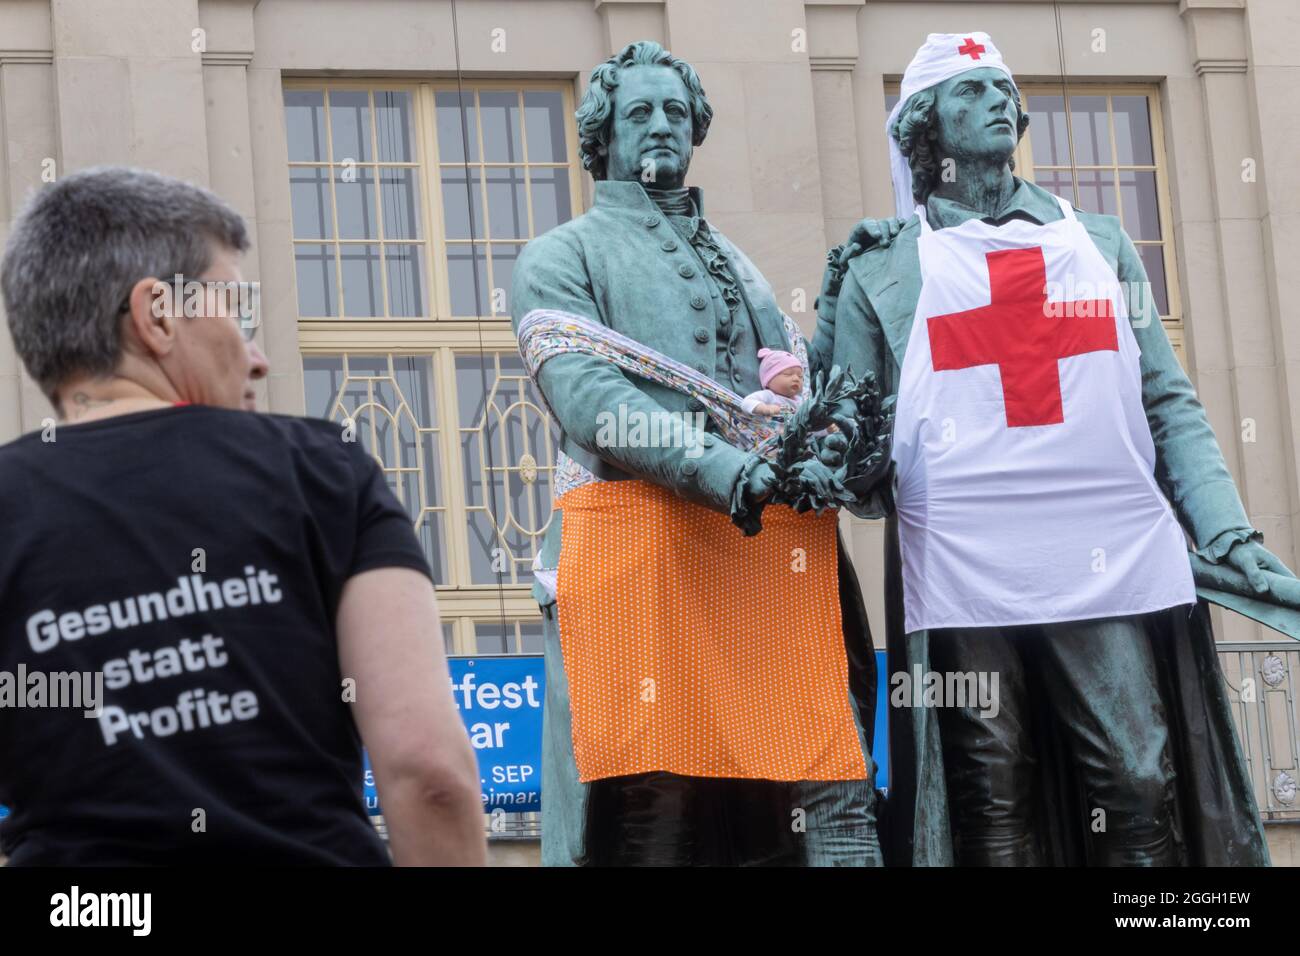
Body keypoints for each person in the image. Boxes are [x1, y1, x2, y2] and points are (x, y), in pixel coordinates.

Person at [817, 32, 1296, 866]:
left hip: (1101, 551)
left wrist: (1227, 533)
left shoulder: (1102, 243)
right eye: (971, 91)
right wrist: (835, 439)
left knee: (1138, 774)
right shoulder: (882, 267)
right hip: (961, 565)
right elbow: (858, 466)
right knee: (989, 787)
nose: (999, 99)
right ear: (927, 127)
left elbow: (1167, 402)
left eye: (1003, 86)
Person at [0, 166, 486, 866]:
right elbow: (427, 771)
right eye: (237, 310)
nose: (256, 358)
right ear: (157, 316)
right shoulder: (324, 472)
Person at [512, 41, 882, 866]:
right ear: (602, 134)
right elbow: (596, 404)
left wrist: (821, 442)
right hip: (639, 544)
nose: (661, 126)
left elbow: (792, 395)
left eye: (676, 112)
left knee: (828, 781)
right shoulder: (559, 255)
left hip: (764, 554)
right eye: (639, 111)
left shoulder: (743, 265)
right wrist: (729, 472)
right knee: (657, 798)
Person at [740, 348, 803, 416]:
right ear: (769, 379)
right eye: (788, 374)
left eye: (800, 376)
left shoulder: (800, 401)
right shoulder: (769, 396)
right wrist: (764, 408)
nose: (796, 379)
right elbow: (746, 403)